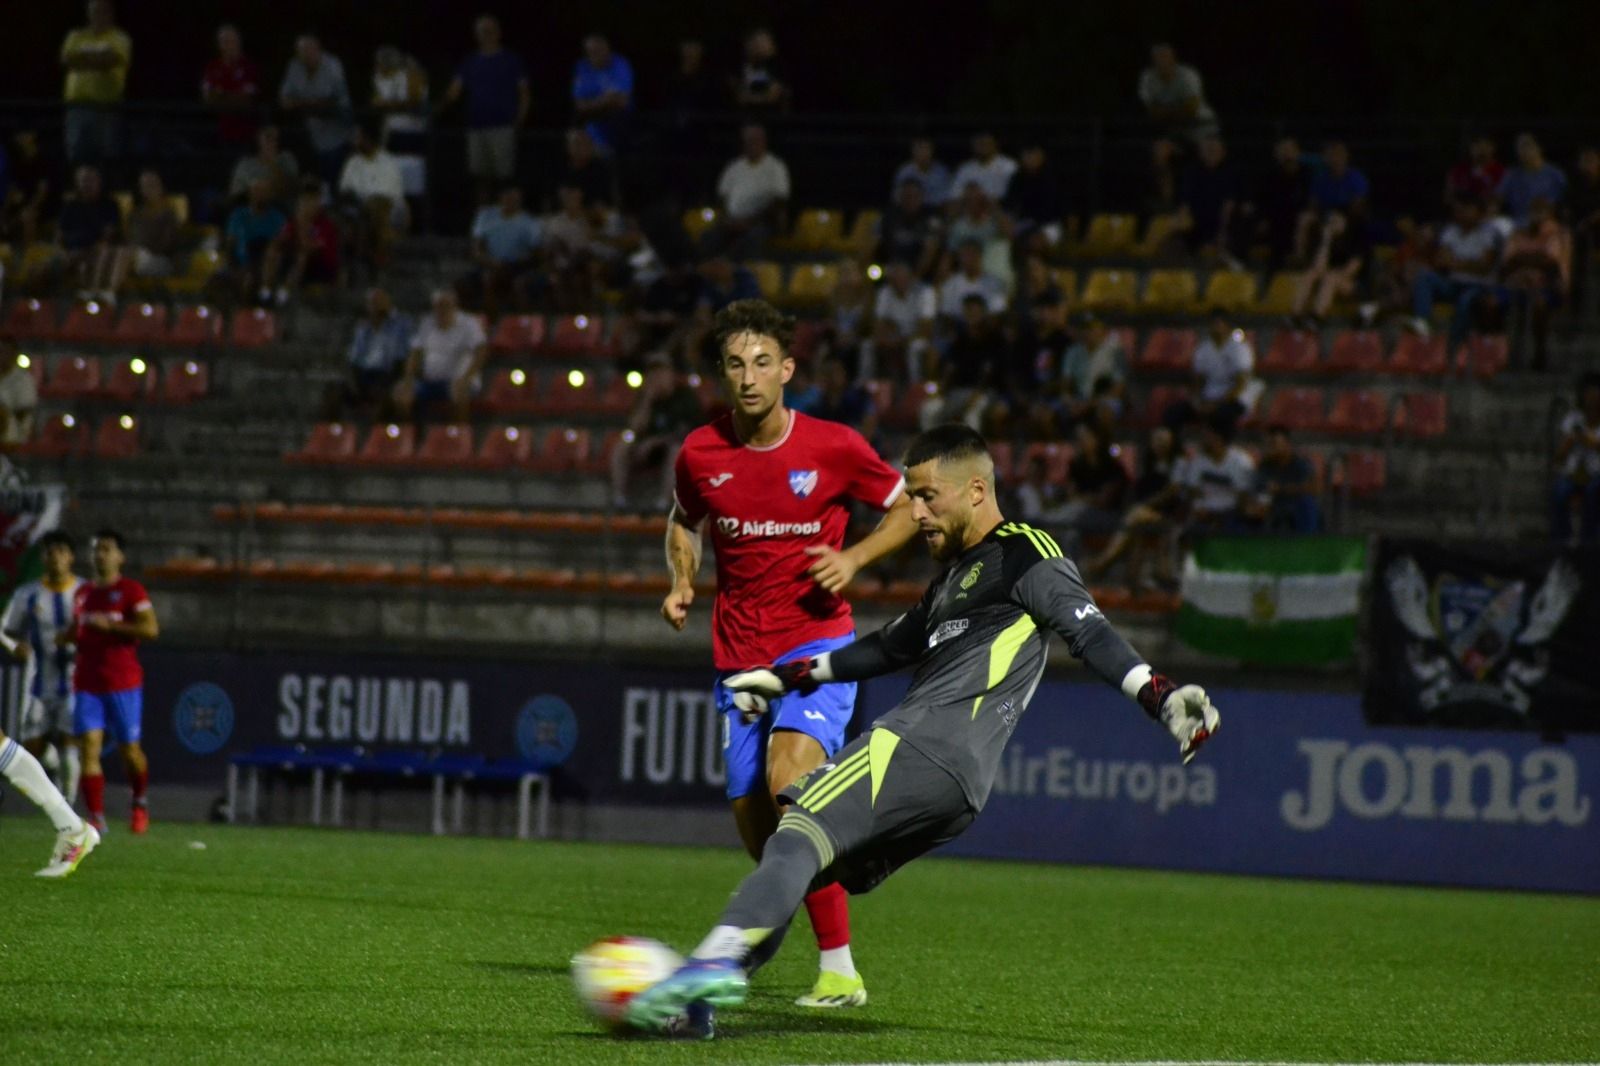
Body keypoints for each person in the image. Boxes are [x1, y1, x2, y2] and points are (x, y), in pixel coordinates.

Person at [625, 423, 1220, 1033]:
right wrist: (782, 678)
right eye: (911, 497)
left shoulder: (1025, 553)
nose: (915, 513)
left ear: (976, 490)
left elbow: (1088, 631)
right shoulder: (955, 580)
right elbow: (886, 647)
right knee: (801, 862)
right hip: (954, 786)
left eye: (928, 497)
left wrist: (1159, 696)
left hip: (919, 746)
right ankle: (699, 1005)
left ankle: (703, 971)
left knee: (794, 834)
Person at [660, 299, 920, 1011]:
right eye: (735, 364)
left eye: (762, 362)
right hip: (737, 656)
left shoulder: (834, 446)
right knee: (764, 833)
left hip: (816, 647)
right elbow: (683, 523)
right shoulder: (700, 453)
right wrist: (681, 581)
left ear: (788, 369)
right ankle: (762, 949)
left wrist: (855, 557)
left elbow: (908, 507)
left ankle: (837, 970)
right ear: (722, 373)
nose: (749, 377)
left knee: (790, 783)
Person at [73, 528, 159, 835]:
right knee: (89, 748)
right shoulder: (82, 593)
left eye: (107, 549)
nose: (100, 554)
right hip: (87, 683)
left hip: (123, 683)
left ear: (120, 556)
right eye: (96, 548)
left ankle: (139, 802)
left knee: (130, 752)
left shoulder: (131, 591)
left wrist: (111, 626)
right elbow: (77, 630)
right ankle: (96, 818)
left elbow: (151, 630)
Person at [3, 531, 84, 801]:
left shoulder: (84, 592)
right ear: (43, 557)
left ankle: (69, 809)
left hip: (75, 680)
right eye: (50, 552)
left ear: (71, 557)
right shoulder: (28, 594)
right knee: (33, 749)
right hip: (37, 681)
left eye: (62, 551)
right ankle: (54, 765)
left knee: (70, 744)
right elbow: (5, 629)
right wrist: (15, 646)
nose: (56, 557)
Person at [439, 15, 530, 205]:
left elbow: (524, 93)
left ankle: (504, 217)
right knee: (480, 178)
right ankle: (483, 217)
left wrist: (519, 120)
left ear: (498, 33)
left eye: (490, 31)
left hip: (503, 127)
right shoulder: (470, 62)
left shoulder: (511, 60)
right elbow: (454, 91)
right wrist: (436, 106)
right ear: (476, 35)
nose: (486, 35)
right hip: (476, 127)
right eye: (482, 31)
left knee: (504, 178)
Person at [610, 353, 703, 510]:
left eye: (661, 372)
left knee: (676, 451)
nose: (657, 377)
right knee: (621, 447)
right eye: (653, 373)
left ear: (671, 374)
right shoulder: (645, 397)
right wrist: (647, 400)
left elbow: (688, 431)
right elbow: (634, 428)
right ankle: (619, 498)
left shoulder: (685, 397)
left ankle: (663, 502)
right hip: (647, 449)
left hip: (673, 447)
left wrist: (657, 442)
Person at [1407, 196, 1502, 345]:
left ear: (1480, 213)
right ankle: (1422, 328)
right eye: (1461, 210)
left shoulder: (1489, 234)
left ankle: (1455, 343)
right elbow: (1440, 261)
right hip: (1453, 282)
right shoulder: (1451, 231)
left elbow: (1484, 267)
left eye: (1468, 210)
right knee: (1425, 276)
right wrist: (1468, 263)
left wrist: (1455, 262)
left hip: (1478, 286)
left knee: (1465, 301)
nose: (1463, 214)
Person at [1490, 197, 1571, 369]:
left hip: (1546, 287)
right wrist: (1532, 259)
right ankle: (1498, 352)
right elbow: (1508, 261)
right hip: (1516, 284)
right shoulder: (1517, 234)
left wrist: (1524, 259)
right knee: (1490, 304)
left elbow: (1551, 263)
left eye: (1542, 212)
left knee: (1539, 305)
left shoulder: (1558, 235)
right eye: (1534, 212)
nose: (1537, 216)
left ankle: (1540, 351)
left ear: (1550, 214)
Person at [394, 289, 488, 423]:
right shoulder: (427, 323)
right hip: (430, 381)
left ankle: (459, 432)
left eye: (446, 306)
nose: (442, 310)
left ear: (454, 305)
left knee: (459, 392)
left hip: (459, 380)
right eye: (439, 306)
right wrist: (408, 379)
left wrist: (467, 378)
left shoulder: (469, 323)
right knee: (401, 392)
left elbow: (481, 351)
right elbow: (415, 353)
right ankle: (410, 432)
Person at [60, 0, 132, 169]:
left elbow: (112, 61)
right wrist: (99, 59)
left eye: (102, 11)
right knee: (76, 155)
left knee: (108, 156)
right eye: (94, 11)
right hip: (77, 107)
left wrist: (83, 60)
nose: (97, 15)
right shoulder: (76, 36)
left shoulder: (119, 38)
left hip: (106, 107)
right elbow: (67, 60)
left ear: (110, 14)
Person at [324, 287, 413, 420]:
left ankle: (372, 431)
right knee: (333, 391)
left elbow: (400, 358)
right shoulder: (363, 328)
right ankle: (329, 430)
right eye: (372, 303)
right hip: (363, 374)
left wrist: (389, 380)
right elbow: (354, 358)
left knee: (382, 394)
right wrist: (354, 382)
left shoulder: (401, 325)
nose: (376, 306)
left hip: (387, 375)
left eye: (379, 302)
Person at [278, 35, 354, 189]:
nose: (307, 54)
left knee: (334, 184)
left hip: (337, 134)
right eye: (302, 51)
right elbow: (284, 101)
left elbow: (333, 101)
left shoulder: (332, 65)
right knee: (312, 185)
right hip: (311, 136)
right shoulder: (294, 66)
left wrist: (301, 102)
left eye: (310, 49)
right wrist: (312, 103)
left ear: (318, 49)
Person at [1165, 308, 1258, 430]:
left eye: (1218, 323)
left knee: (1221, 417)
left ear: (1227, 325)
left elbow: (1240, 384)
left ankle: (1221, 441)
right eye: (1212, 323)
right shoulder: (1203, 349)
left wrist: (1217, 404)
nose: (1215, 327)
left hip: (1233, 400)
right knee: (1174, 413)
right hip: (1208, 397)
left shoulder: (1240, 349)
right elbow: (1198, 380)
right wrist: (1198, 402)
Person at [711, 124, 790, 258]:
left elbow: (779, 201)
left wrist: (749, 222)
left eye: (755, 140)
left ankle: (738, 267)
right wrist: (726, 219)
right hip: (732, 221)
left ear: (763, 142)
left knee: (751, 239)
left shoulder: (776, 167)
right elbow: (722, 198)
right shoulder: (733, 167)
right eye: (748, 141)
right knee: (709, 237)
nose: (751, 144)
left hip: (763, 222)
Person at [338, 123, 408, 272]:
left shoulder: (388, 163)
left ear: (369, 140)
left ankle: (373, 259)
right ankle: (369, 260)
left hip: (387, 209)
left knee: (376, 208)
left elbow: (392, 195)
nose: (356, 141)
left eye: (359, 138)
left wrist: (371, 203)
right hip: (357, 209)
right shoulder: (352, 163)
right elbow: (345, 190)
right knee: (357, 217)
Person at [466, 185, 544, 317]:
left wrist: (515, 263)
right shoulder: (486, 216)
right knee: (472, 282)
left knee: (517, 284)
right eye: (508, 197)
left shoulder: (529, 222)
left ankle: (522, 322)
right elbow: (476, 248)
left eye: (515, 199)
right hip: (489, 264)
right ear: (501, 197)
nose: (511, 201)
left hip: (516, 266)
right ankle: (482, 322)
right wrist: (489, 261)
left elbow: (536, 252)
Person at [258, 186, 340, 306]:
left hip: (321, 266)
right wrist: (277, 243)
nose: (307, 206)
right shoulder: (293, 221)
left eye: (311, 202)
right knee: (273, 251)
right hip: (297, 259)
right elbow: (282, 239)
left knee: (302, 256)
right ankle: (265, 291)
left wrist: (303, 225)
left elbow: (310, 248)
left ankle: (284, 295)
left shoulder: (325, 226)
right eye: (305, 202)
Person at [1175, 412, 1255, 532]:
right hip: (1202, 515)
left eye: (1207, 433)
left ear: (1218, 437)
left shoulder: (1240, 461)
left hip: (1230, 516)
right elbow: (1193, 491)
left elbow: (1244, 497)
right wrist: (1199, 507)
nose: (1202, 437)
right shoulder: (1198, 461)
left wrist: (1223, 516)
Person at [1290, 210, 1369, 329]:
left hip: (1355, 285)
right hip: (1329, 282)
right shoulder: (1328, 240)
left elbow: (1351, 271)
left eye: (1337, 221)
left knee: (1331, 278)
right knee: (1310, 274)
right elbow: (1319, 268)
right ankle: (1295, 315)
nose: (1333, 224)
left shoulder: (1355, 241)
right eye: (1331, 221)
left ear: (1346, 222)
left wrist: (1330, 274)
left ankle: (1317, 317)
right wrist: (1326, 240)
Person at [108, 169, 181, 295]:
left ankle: (110, 292)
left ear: (161, 187)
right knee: (112, 253)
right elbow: (128, 238)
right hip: (133, 255)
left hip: (159, 260)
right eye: (144, 186)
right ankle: (96, 292)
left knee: (125, 255)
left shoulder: (169, 213)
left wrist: (139, 249)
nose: (148, 189)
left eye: (152, 185)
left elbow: (165, 245)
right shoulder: (136, 213)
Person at [56, 164, 122, 300]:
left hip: (95, 252)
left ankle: (93, 296)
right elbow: (59, 236)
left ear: (99, 182)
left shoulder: (110, 205)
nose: (87, 184)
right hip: (69, 252)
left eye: (91, 180)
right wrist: (63, 253)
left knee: (98, 256)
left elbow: (108, 236)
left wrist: (85, 253)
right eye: (83, 180)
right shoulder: (70, 205)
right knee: (39, 271)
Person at [865, 260, 936, 383]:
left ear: (910, 278)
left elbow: (926, 326)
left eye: (902, 277)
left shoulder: (925, 292)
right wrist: (886, 336)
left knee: (914, 348)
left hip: (918, 337)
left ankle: (915, 384)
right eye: (895, 278)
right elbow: (879, 323)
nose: (899, 281)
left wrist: (904, 340)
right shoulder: (885, 292)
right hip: (893, 337)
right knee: (867, 345)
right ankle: (865, 381)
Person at [1552, 374, 1600, 545]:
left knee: (1593, 492)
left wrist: (1587, 439)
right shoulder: (1573, 419)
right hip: (1574, 475)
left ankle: (1589, 541)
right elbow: (1559, 456)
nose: (1592, 400)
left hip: (1596, 476)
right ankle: (1562, 542)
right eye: (1589, 395)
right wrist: (1570, 441)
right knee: (1560, 492)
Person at [1245, 425, 1321, 532]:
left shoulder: (1301, 464)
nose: (1270, 448)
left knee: (1306, 502)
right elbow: (1262, 491)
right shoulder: (1265, 466)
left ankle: (1306, 539)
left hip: (1296, 507)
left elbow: (1315, 489)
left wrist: (1281, 489)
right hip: (1274, 507)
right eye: (1268, 445)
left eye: (1274, 444)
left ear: (1287, 444)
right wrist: (1257, 505)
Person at [223, 178, 287, 299]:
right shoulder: (238, 215)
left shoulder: (278, 219)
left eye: (264, 191)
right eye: (257, 190)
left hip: (265, 266)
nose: (260, 195)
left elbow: (280, 246)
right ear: (250, 192)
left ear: (270, 194)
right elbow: (230, 244)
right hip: (241, 265)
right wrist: (233, 268)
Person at [201, 23, 261, 147]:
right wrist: (232, 96)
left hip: (246, 133)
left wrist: (221, 95)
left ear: (239, 42)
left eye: (232, 41)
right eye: (225, 41)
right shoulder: (212, 67)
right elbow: (207, 99)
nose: (229, 45)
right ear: (219, 45)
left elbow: (246, 100)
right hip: (219, 133)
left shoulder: (249, 67)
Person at [571, 34, 633, 152]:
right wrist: (605, 100)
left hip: (619, 125)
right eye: (592, 52)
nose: (597, 55)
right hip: (591, 126)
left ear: (608, 48)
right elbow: (579, 105)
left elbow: (622, 101)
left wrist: (592, 104)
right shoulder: (582, 67)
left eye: (600, 50)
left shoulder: (620, 64)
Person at [876, 178, 943, 281]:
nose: (911, 200)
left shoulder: (931, 217)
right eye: (907, 196)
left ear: (921, 197)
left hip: (922, 275)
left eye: (915, 196)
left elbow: (930, 251)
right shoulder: (889, 216)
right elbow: (878, 244)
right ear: (900, 198)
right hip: (893, 271)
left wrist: (914, 278)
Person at [1, 130, 56, 249]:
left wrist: (30, 208)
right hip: (23, 203)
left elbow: (42, 192)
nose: (20, 139)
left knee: (27, 216)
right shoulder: (19, 161)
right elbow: (12, 190)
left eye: (23, 136)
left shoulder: (44, 160)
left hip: (43, 205)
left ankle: (29, 253)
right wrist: (3, 214)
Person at [1498, 134, 1566, 226]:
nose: (1523, 151)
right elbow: (1497, 199)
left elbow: (1559, 205)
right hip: (1516, 224)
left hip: (1546, 224)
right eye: (1519, 147)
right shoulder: (1511, 175)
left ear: (1539, 147)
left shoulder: (1555, 175)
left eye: (1527, 145)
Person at [227, 125, 300, 207]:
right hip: (252, 208)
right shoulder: (245, 164)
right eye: (268, 137)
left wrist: (273, 164)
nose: (273, 142)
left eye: (277, 139)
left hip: (282, 208)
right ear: (258, 139)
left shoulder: (287, 158)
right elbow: (234, 197)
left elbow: (292, 190)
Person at [949, 133, 1017, 207]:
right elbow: (954, 195)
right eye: (979, 144)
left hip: (999, 208)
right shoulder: (965, 168)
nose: (983, 147)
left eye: (986, 143)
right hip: (969, 209)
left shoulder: (1009, 166)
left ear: (995, 144)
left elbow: (1009, 196)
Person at [731, 28, 788, 115]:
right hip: (741, 117)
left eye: (765, 42)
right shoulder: (737, 67)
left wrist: (750, 98)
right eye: (757, 42)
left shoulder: (777, 67)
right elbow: (738, 97)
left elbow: (772, 97)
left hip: (773, 117)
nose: (760, 46)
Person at [0, 335, 39, 449]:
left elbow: (24, 411)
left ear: (14, 354)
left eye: (7, 352)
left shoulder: (24, 378)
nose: (3, 356)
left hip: (14, 429)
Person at [1445, 136, 1505, 209]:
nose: (1481, 150)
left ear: (1493, 148)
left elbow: (1500, 200)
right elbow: (1448, 197)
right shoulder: (1458, 171)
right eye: (1477, 145)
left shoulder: (1502, 172)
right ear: (1470, 148)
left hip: (1489, 212)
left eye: (1485, 145)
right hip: (1461, 211)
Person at [891, 138, 952, 208]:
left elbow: (947, 197)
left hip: (935, 209)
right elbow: (896, 197)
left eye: (926, 149)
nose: (923, 153)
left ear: (932, 151)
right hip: (910, 209)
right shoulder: (904, 171)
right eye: (920, 149)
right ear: (913, 152)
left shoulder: (942, 171)